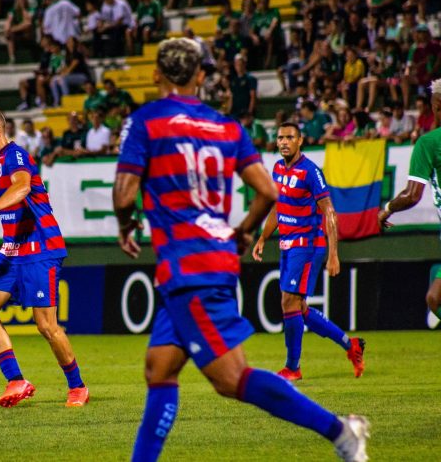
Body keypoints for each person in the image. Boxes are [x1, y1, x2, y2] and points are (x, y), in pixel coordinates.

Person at [112, 37, 369, 462]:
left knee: (231, 379)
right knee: (159, 369)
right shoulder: (227, 127)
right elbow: (267, 191)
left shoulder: (147, 121)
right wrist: (245, 231)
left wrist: (126, 227)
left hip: (189, 267)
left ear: (156, 74)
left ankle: (341, 432)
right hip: (209, 259)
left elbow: (124, 195)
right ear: (199, 77)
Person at [0, 107, 89, 408]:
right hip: (12, 249)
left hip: (40, 249)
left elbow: (22, 187)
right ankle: (16, 380)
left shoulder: (15, 155)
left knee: (46, 326)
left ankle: (77, 387)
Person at [252, 123, 365, 381]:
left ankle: (293, 367)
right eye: (280, 137)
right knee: (298, 306)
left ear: (300, 141)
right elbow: (277, 207)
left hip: (307, 245)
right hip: (287, 245)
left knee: (288, 302)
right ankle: (351, 345)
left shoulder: (311, 172)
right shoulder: (279, 168)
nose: (283, 142)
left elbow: (330, 212)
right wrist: (263, 237)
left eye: (289, 137)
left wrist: (333, 254)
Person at [379, 77, 441, 321]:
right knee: (434, 298)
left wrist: (387, 208)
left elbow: (412, 195)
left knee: (434, 299)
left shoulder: (428, 143)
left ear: (435, 105)